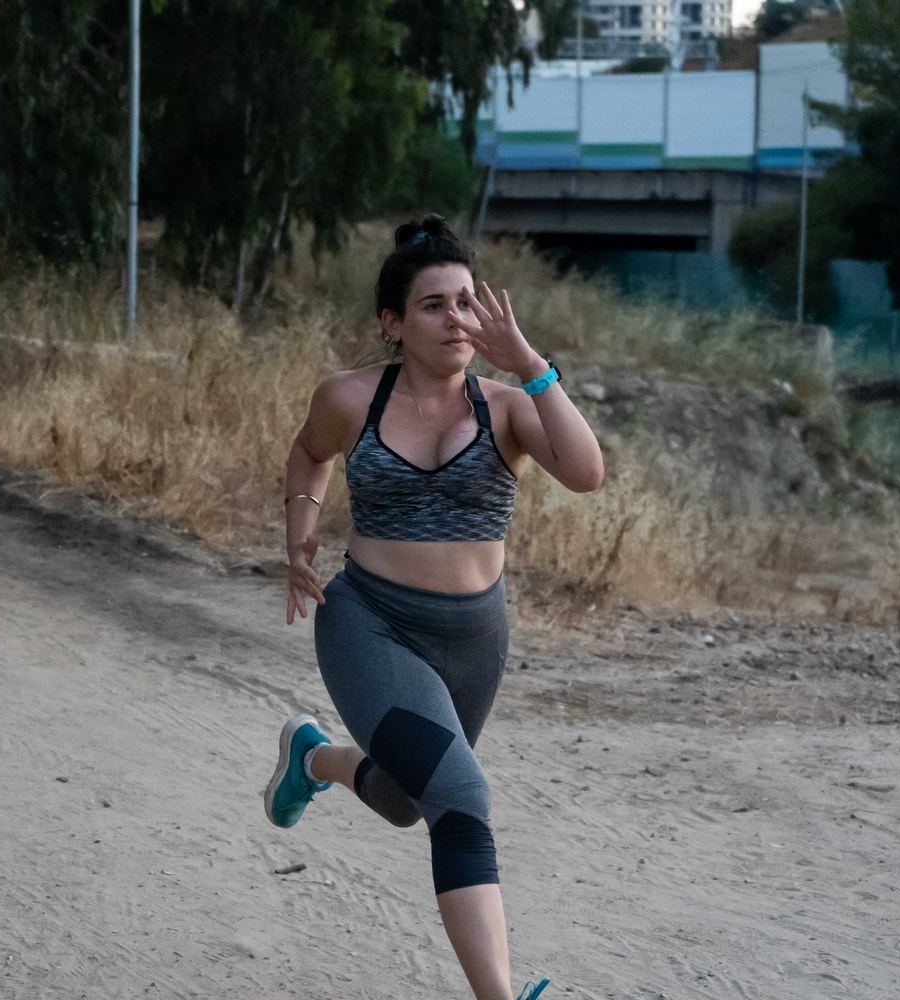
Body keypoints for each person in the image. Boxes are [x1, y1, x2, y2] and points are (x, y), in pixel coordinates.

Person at [263, 215, 604, 1000]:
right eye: (433, 305)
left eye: (467, 302)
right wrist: (300, 535)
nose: (457, 319)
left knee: (407, 802)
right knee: (462, 798)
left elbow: (587, 473)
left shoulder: (509, 407)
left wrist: (532, 366)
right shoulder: (350, 398)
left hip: (475, 638)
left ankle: (313, 758)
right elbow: (310, 453)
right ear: (393, 322)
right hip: (370, 623)